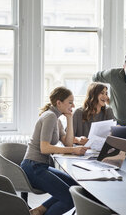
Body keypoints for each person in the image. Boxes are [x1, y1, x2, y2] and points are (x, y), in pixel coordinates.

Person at [20, 86, 89, 215]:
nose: (73, 105)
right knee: (69, 198)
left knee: (75, 186)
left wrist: (69, 117)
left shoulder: (56, 119)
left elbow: (67, 142)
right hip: (33, 166)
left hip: (41, 166)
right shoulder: (50, 117)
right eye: (70, 102)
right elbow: (44, 148)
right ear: (59, 103)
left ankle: (40, 210)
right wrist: (74, 150)